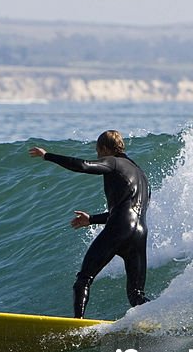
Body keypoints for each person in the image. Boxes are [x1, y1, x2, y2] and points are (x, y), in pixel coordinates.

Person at [29, 130, 151, 318]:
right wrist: (92, 219)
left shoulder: (113, 162)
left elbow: (84, 166)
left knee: (83, 280)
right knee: (136, 296)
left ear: (103, 148)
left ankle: (77, 324)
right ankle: (160, 319)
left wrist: (47, 156)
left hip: (120, 228)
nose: (97, 155)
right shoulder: (140, 174)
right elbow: (127, 210)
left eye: (97, 151)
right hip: (139, 232)